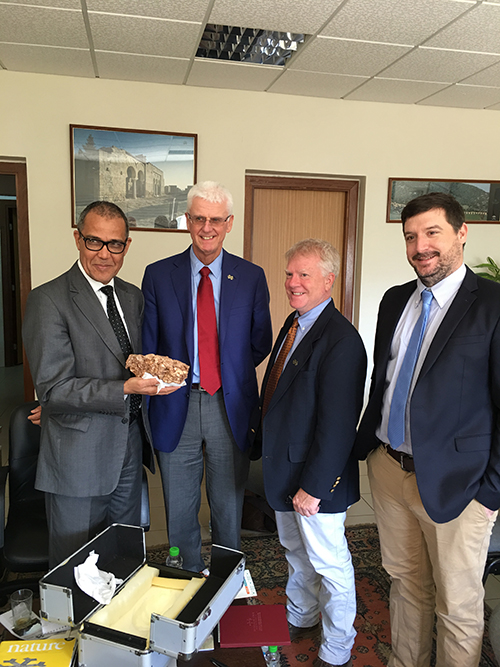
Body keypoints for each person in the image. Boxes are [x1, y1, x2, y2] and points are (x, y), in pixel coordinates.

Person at [355, 192, 500, 667]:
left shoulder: (492, 305)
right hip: (390, 469)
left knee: (457, 603)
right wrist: (370, 450)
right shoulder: (396, 300)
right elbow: (385, 378)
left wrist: (490, 493)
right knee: (406, 584)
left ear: (461, 233)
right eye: (411, 236)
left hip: (460, 483)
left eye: (432, 232)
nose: (420, 246)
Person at [22, 201, 178, 568]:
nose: (105, 254)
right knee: (74, 565)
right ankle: (71, 628)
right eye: (94, 242)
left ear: (126, 246)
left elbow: (136, 361)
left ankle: (115, 626)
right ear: (78, 239)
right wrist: (123, 390)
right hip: (78, 456)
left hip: (127, 450)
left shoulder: (131, 296)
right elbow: (54, 389)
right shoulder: (48, 300)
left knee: (121, 556)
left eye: (115, 244)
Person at [142, 181, 272, 572]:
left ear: (228, 223)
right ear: (188, 221)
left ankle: (228, 579)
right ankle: (185, 577)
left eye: (216, 219)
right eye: (199, 218)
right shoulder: (158, 275)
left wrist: (225, 373)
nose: (207, 227)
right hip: (174, 402)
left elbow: (259, 341)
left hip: (227, 404)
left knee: (228, 502)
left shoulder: (250, 276)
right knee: (179, 505)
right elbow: (149, 344)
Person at [253, 239, 367, 667]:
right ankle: (301, 614)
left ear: (328, 280)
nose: (293, 283)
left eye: (304, 274)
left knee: (330, 564)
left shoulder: (342, 341)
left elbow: (338, 426)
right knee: (295, 554)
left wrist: (314, 488)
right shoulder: (295, 322)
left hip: (316, 483)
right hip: (285, 471)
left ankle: (337, 647)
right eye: (289, 274)